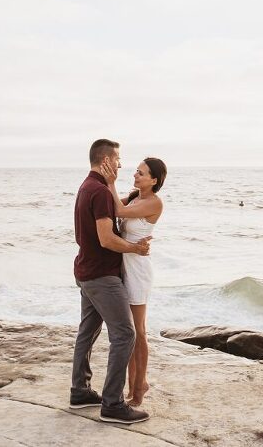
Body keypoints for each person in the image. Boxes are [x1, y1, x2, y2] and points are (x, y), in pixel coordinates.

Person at [69, 139, 152, 425]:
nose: (120, 164)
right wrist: (135, 248)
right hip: (101, 276)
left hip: (86, 271)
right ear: (105, 160)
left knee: (88, 331)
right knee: (125, 335)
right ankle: (113, 404)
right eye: (118, 159)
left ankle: (79, 391)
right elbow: (106, 239)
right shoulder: (100, 191)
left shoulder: (86, 187)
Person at [100, 157, 167, 407]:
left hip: (138, 270)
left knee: (138, 332)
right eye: (136, 172)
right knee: (128, 333)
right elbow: (110, 206)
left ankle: (139, 389)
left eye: (141, 173)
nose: (136, 176)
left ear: (154, 180)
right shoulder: (134, 197)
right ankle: (133, 385)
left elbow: (118, 210)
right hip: (123, 267)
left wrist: (110, 180)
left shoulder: (154, 203)